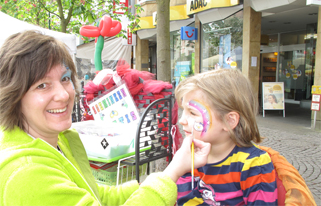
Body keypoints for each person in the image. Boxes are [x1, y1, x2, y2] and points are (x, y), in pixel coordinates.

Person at [0, 30, 211, 206]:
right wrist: (172, 173)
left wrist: (153, 183)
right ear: (14, 96)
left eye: (65, 79)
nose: (64, 94)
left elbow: (97, 196)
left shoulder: (58, 140)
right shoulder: (26, 173)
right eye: (42, 85)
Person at [175, 69, 278, 205]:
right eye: (183, 111)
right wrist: (176, 168)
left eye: (193, 113)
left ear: (229, 121)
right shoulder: (190, 155)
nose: (181, 120)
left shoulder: (253, 164)